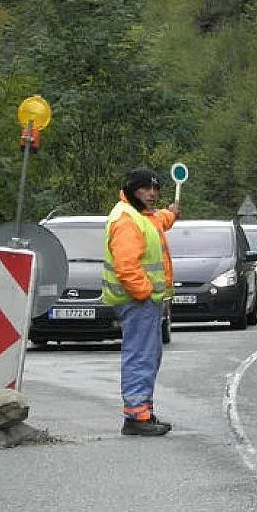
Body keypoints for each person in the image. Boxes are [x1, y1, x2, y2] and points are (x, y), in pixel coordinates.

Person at [102, 167, 179, 436]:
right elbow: (126, 266)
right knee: (141, 357)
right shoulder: (127, 220)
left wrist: (173, 212)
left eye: (156, 189)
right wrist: (144, 293)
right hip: (137, 301)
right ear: (133, 189)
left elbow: (161, 220)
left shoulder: (142, 215)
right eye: (146, 188)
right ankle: (136, 417)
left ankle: (142, 411)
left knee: (148, 355)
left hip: (142, 301)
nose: (152, 194)